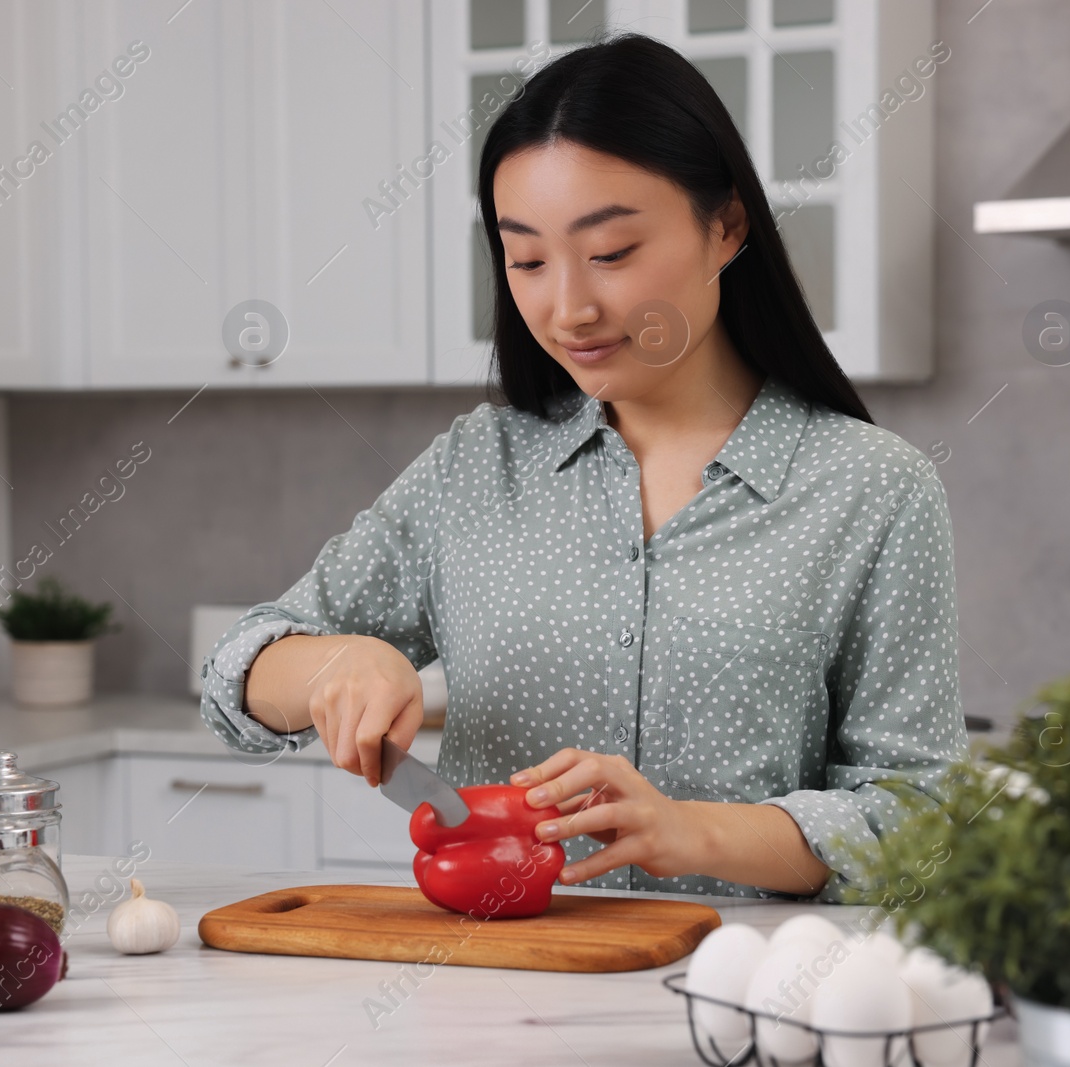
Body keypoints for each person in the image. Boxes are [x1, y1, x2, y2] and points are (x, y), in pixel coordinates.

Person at [201, 32, 966, 900]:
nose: (567, 307)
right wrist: (332, 667)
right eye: (526, 259)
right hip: (489, 1003)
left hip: (738, 1005)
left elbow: (924, 816)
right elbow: (238, 670)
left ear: (727, 228)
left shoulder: (872, 489)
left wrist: (693, 828)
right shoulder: (475, 469)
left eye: (610, 253)